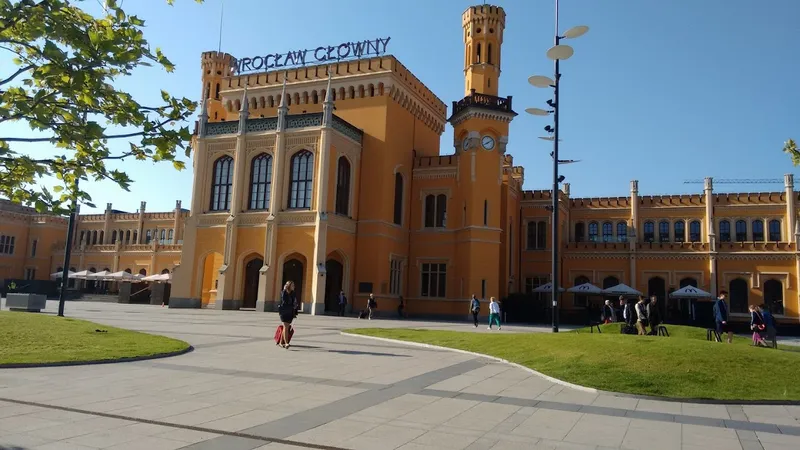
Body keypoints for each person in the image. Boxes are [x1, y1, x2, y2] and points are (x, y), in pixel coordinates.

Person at [277, 281, 297, 349]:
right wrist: (284, 290)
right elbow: (284, 300)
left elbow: (294, 302)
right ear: (288, 286)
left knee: (286, 327)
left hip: (290, 312)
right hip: (284, 312)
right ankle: (286, 343)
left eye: (293, 285)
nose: (294, 286)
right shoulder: (284, 293)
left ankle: (280, 342)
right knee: (286, 327)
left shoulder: (293, 293)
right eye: (292, 285)